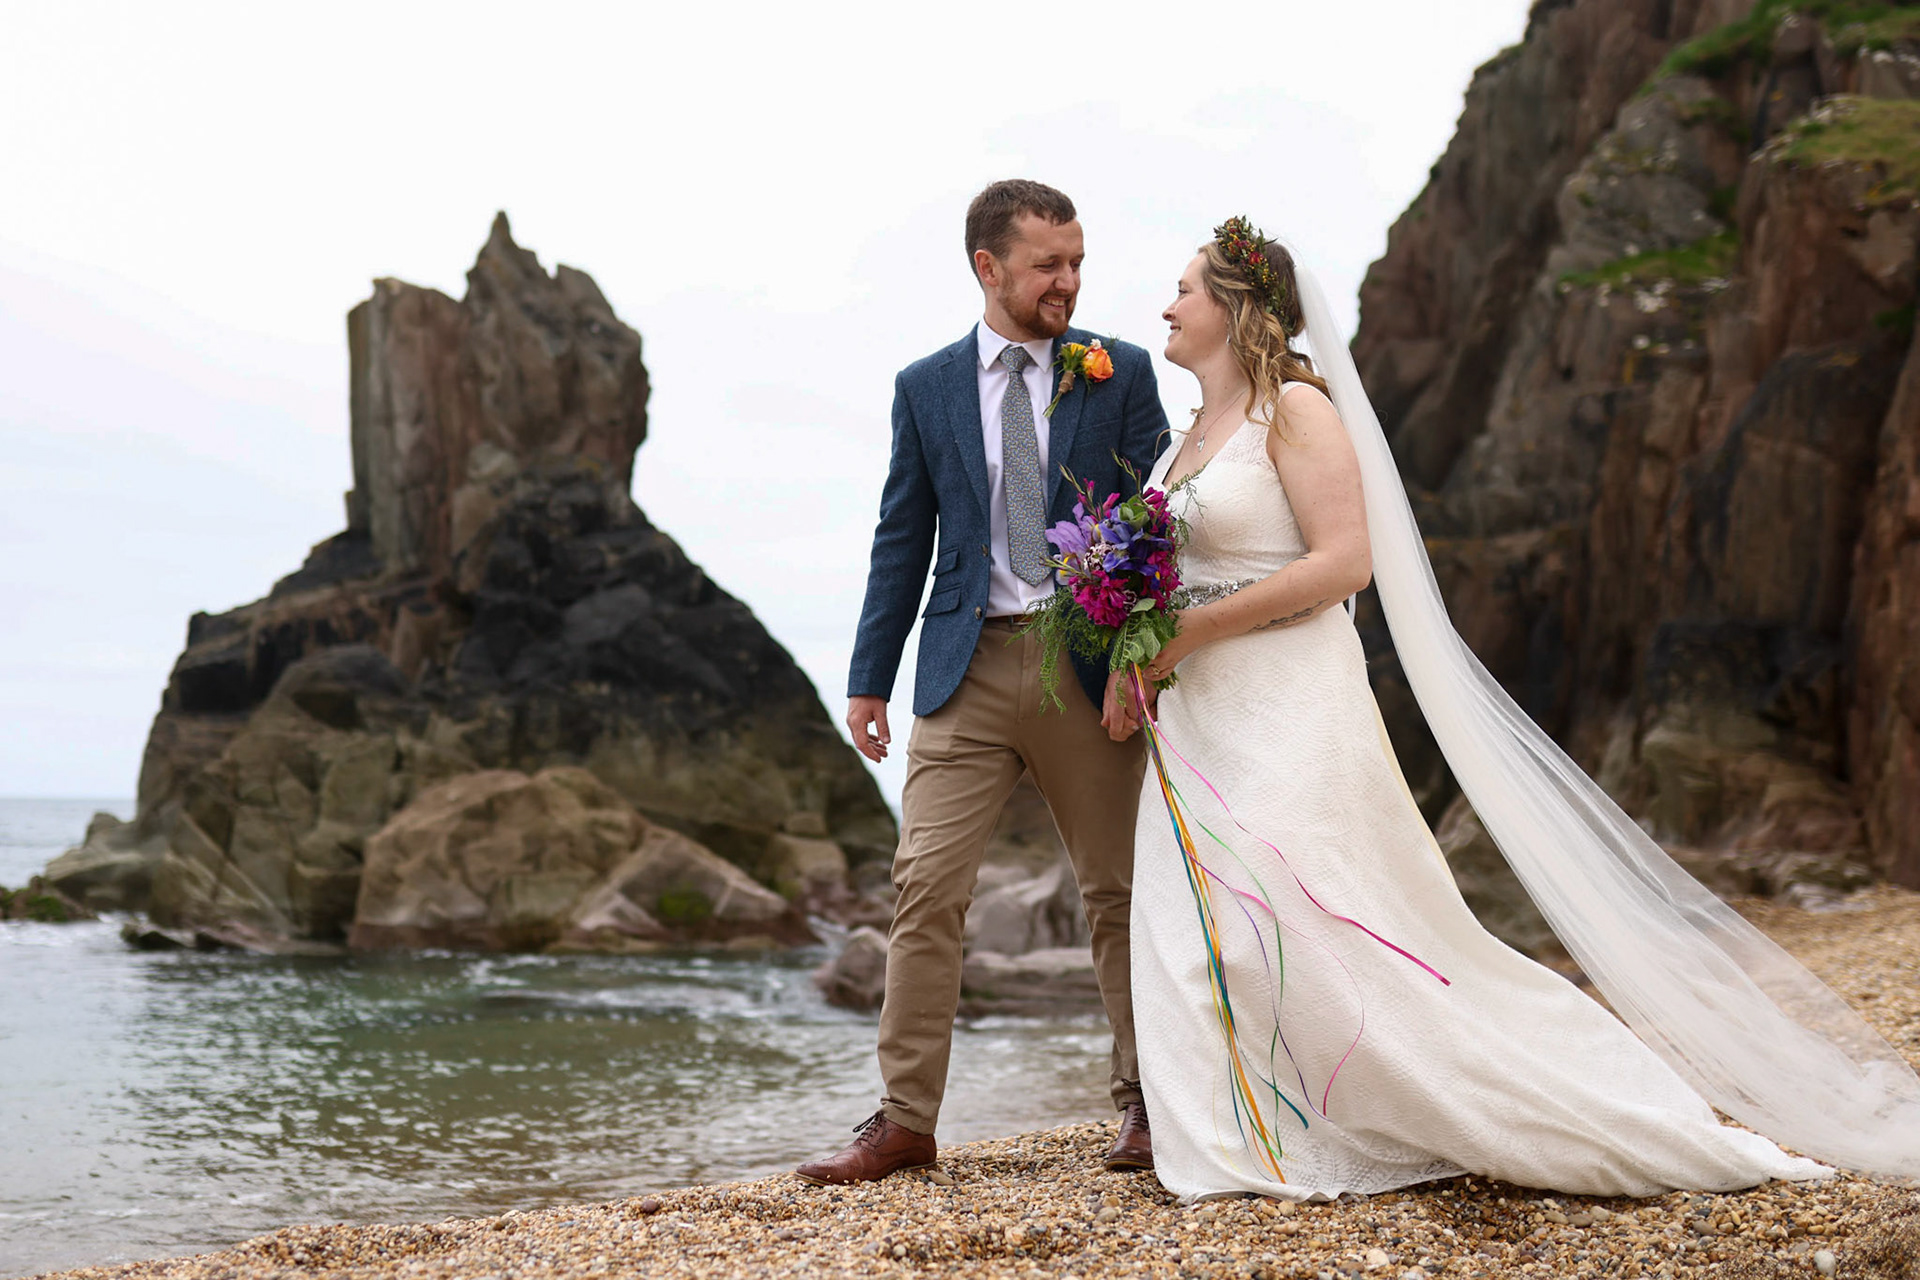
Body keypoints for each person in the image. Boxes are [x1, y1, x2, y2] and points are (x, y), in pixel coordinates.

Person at [1103, 216, 1920, 1201]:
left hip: (1289, 699)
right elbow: (1170, 575)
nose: (1167, 306)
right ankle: (1244, 1125)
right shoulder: (1186, 435)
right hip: (1196, 715)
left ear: (1236, 307)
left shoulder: (1298, 411)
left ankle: (1481, 1098)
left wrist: (1198, 628)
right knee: (1191, 921)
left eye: (1185, 288)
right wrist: (1133, 647)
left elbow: (1343, 564)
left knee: (1312, 913)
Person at [794, 180, 1171, 1186]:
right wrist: (869, 678)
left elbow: (1155, 522)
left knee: (1116, 891)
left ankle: (1147, 1101)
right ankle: (904, 1121)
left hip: (1084, 665)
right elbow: (901, 535)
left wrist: (1137, 658)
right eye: (1048, 263)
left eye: (1076, 261)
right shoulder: (925, 386)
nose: (1068, 281)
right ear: (988, 267)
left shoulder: (1120, 370)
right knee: (924, 888)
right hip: (962, 665)